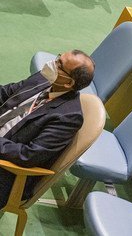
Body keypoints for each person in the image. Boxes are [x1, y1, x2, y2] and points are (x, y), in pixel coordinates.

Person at [0, 50, 95, 208]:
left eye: (59, 64)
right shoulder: (43, 79)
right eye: (58, 57)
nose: (52, 63)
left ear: (68, 83)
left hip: (7, 172)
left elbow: (29, 155)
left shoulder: (68, 117)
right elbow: (8, 92)